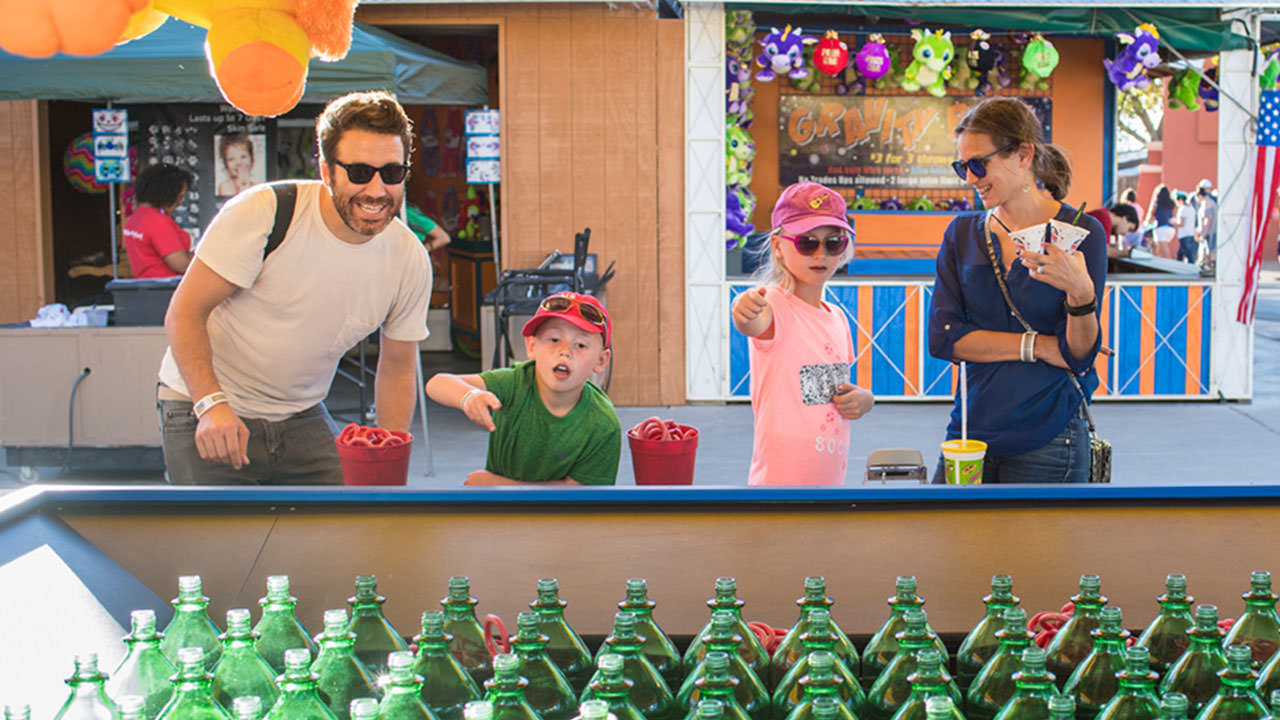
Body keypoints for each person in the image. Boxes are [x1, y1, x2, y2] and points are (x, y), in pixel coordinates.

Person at [158, 91, 432, 485]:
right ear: (326, 170)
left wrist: (386, 455)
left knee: (352, 526)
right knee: (219, 543)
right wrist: (211, 405)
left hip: (302, 413)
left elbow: (397, 366)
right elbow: (185, 312)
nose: (376, 190)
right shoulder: (263, 212)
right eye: (358, 172)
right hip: (206, 401)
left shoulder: (408, 258)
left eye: (391, 173)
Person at [929, 97, 1106, 483]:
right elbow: (944, 338)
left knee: (1039, 546)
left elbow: (1078, 353)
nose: (970, 179)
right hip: (968, 432)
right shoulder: (962, 233)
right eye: (962, 167)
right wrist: (1040, 346)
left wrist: (1080, 296)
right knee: (950, 542)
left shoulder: (1084, 233)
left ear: (1024, 154)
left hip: (1052, 435)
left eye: (979, 164)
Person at [730, 182, 875, 486]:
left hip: (830, 482)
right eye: (807, 242)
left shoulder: (837, 319)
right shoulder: (772, 303)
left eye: (833, 242)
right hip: (778, 486)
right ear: (778, 246)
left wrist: (864, 400)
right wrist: (742, 309)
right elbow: (752, 322)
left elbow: (836, 389)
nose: (820, 254)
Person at [425, 291, 620, 486]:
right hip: (499, 513)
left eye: (580, 345)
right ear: (532, 346)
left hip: (561, 515)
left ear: (601, 360)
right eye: (554, 340)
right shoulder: (514, 383)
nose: (565, 351)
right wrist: (468, 396)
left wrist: (497, 485)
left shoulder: (603, 424)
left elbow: (580, 497)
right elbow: (437, 383)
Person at [123, 162, 193, 278]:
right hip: (167, 288)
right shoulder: (157, 221)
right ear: (166, 192)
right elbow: (181, 265)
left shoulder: (135, 219)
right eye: (179, 197)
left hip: (147, 288)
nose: (181, 202)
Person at [1145, 184, 1176, 258]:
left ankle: (1168, 267)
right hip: (1171, 229)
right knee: (1159, 250)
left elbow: (1150, 215)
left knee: (1163, 251)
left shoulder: (1156, 203)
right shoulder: (1171, 203)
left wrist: (1146, 223)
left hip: (1161, 228)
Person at [1197, 178, 1218, 272]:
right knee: (1211, 253)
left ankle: (1209, 270)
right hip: (1212, 232)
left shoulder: (1207, 203)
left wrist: (1204, 233)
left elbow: (1208, 218)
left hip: (1210, 233)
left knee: (1208, 253)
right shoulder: (1212, 202)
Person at [1174, 191, 1199, 263]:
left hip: (1184, 235)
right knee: (1181, 254)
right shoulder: (1192, 208)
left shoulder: (1182, 209)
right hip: (1191, 234)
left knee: (1189, 256)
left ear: (1180, 200)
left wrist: (1173, 222)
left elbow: (1181, 223)